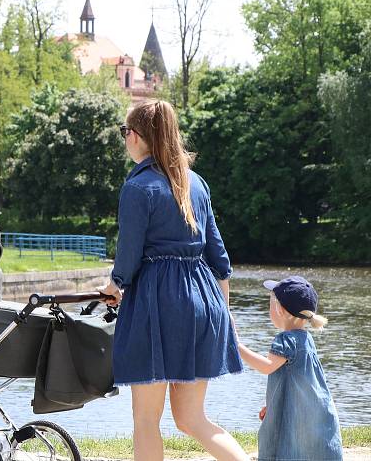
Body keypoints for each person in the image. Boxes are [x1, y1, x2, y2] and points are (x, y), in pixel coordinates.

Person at [98, 100, 247, 461]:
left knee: (146, 420)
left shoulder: (138, 187)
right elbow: (219, 258)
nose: (124, 140)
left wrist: (115, 285)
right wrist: (224, 316)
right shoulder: (196, 183)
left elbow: (129, 254)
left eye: (123, 133)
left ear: (135, 137)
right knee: (192, 418)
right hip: (204, 301)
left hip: (158, 302)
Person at [238, 276, 343, 461]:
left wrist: (236, 345)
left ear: (281, 309)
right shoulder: (305, 338)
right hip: (312, 411)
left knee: (287, 447)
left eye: (270, 302)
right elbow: (300, 380)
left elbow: (266, 367)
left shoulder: (286, 340)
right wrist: (275, 402)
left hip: (298, 418)